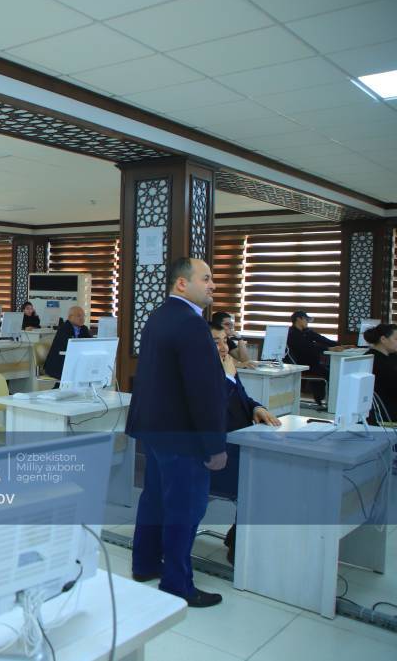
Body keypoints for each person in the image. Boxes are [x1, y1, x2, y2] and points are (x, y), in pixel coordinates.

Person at [129, 257, 227, 608]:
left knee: (155, 499)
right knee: (185, 508)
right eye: (206, 278)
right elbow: (203, 391)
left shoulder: (158, 316)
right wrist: (215, 444)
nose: (212, 285)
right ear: (182, 283)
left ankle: (144, 563)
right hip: (183, 436)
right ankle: (177, 582)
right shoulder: (191, 323)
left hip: (155, 430)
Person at [208, 324, 280, 565]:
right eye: (216, 342)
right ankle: (240, 544)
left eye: (225, 340)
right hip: (216, 456)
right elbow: (214, 411)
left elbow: (243, 399)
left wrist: (257, 407)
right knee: (264, 479)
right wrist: (228, 378)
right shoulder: (201, 374)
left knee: (273, 469)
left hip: (239, 446)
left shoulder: (226, 366)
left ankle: (239, 535)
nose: (223, 347)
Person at [285, 310, 347, 409]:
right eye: (306, 319)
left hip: (313, 363)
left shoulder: (307, 331)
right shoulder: (292, 334)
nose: (307, 322)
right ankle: (332, 404)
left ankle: (322, 400)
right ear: (298, 319)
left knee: (331, 370)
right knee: (330, 374)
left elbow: (322, 339)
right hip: (303, 365)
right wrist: (328, 349)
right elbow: (308, 347)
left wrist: (342, 345)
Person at [43, 305, 92, 380]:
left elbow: (90, 343)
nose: (82, 318)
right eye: (79, 316)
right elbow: (69, 345)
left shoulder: (84, 328)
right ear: (70, 317)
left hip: (74, 362)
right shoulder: (64, 328)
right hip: (59, 364)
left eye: (83, 316)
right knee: (80, 373)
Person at [364, 323, 397, 425]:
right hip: (384, 411)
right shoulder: (372, 360)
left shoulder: (392, 356)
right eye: (396, 339)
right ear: (383, 339)